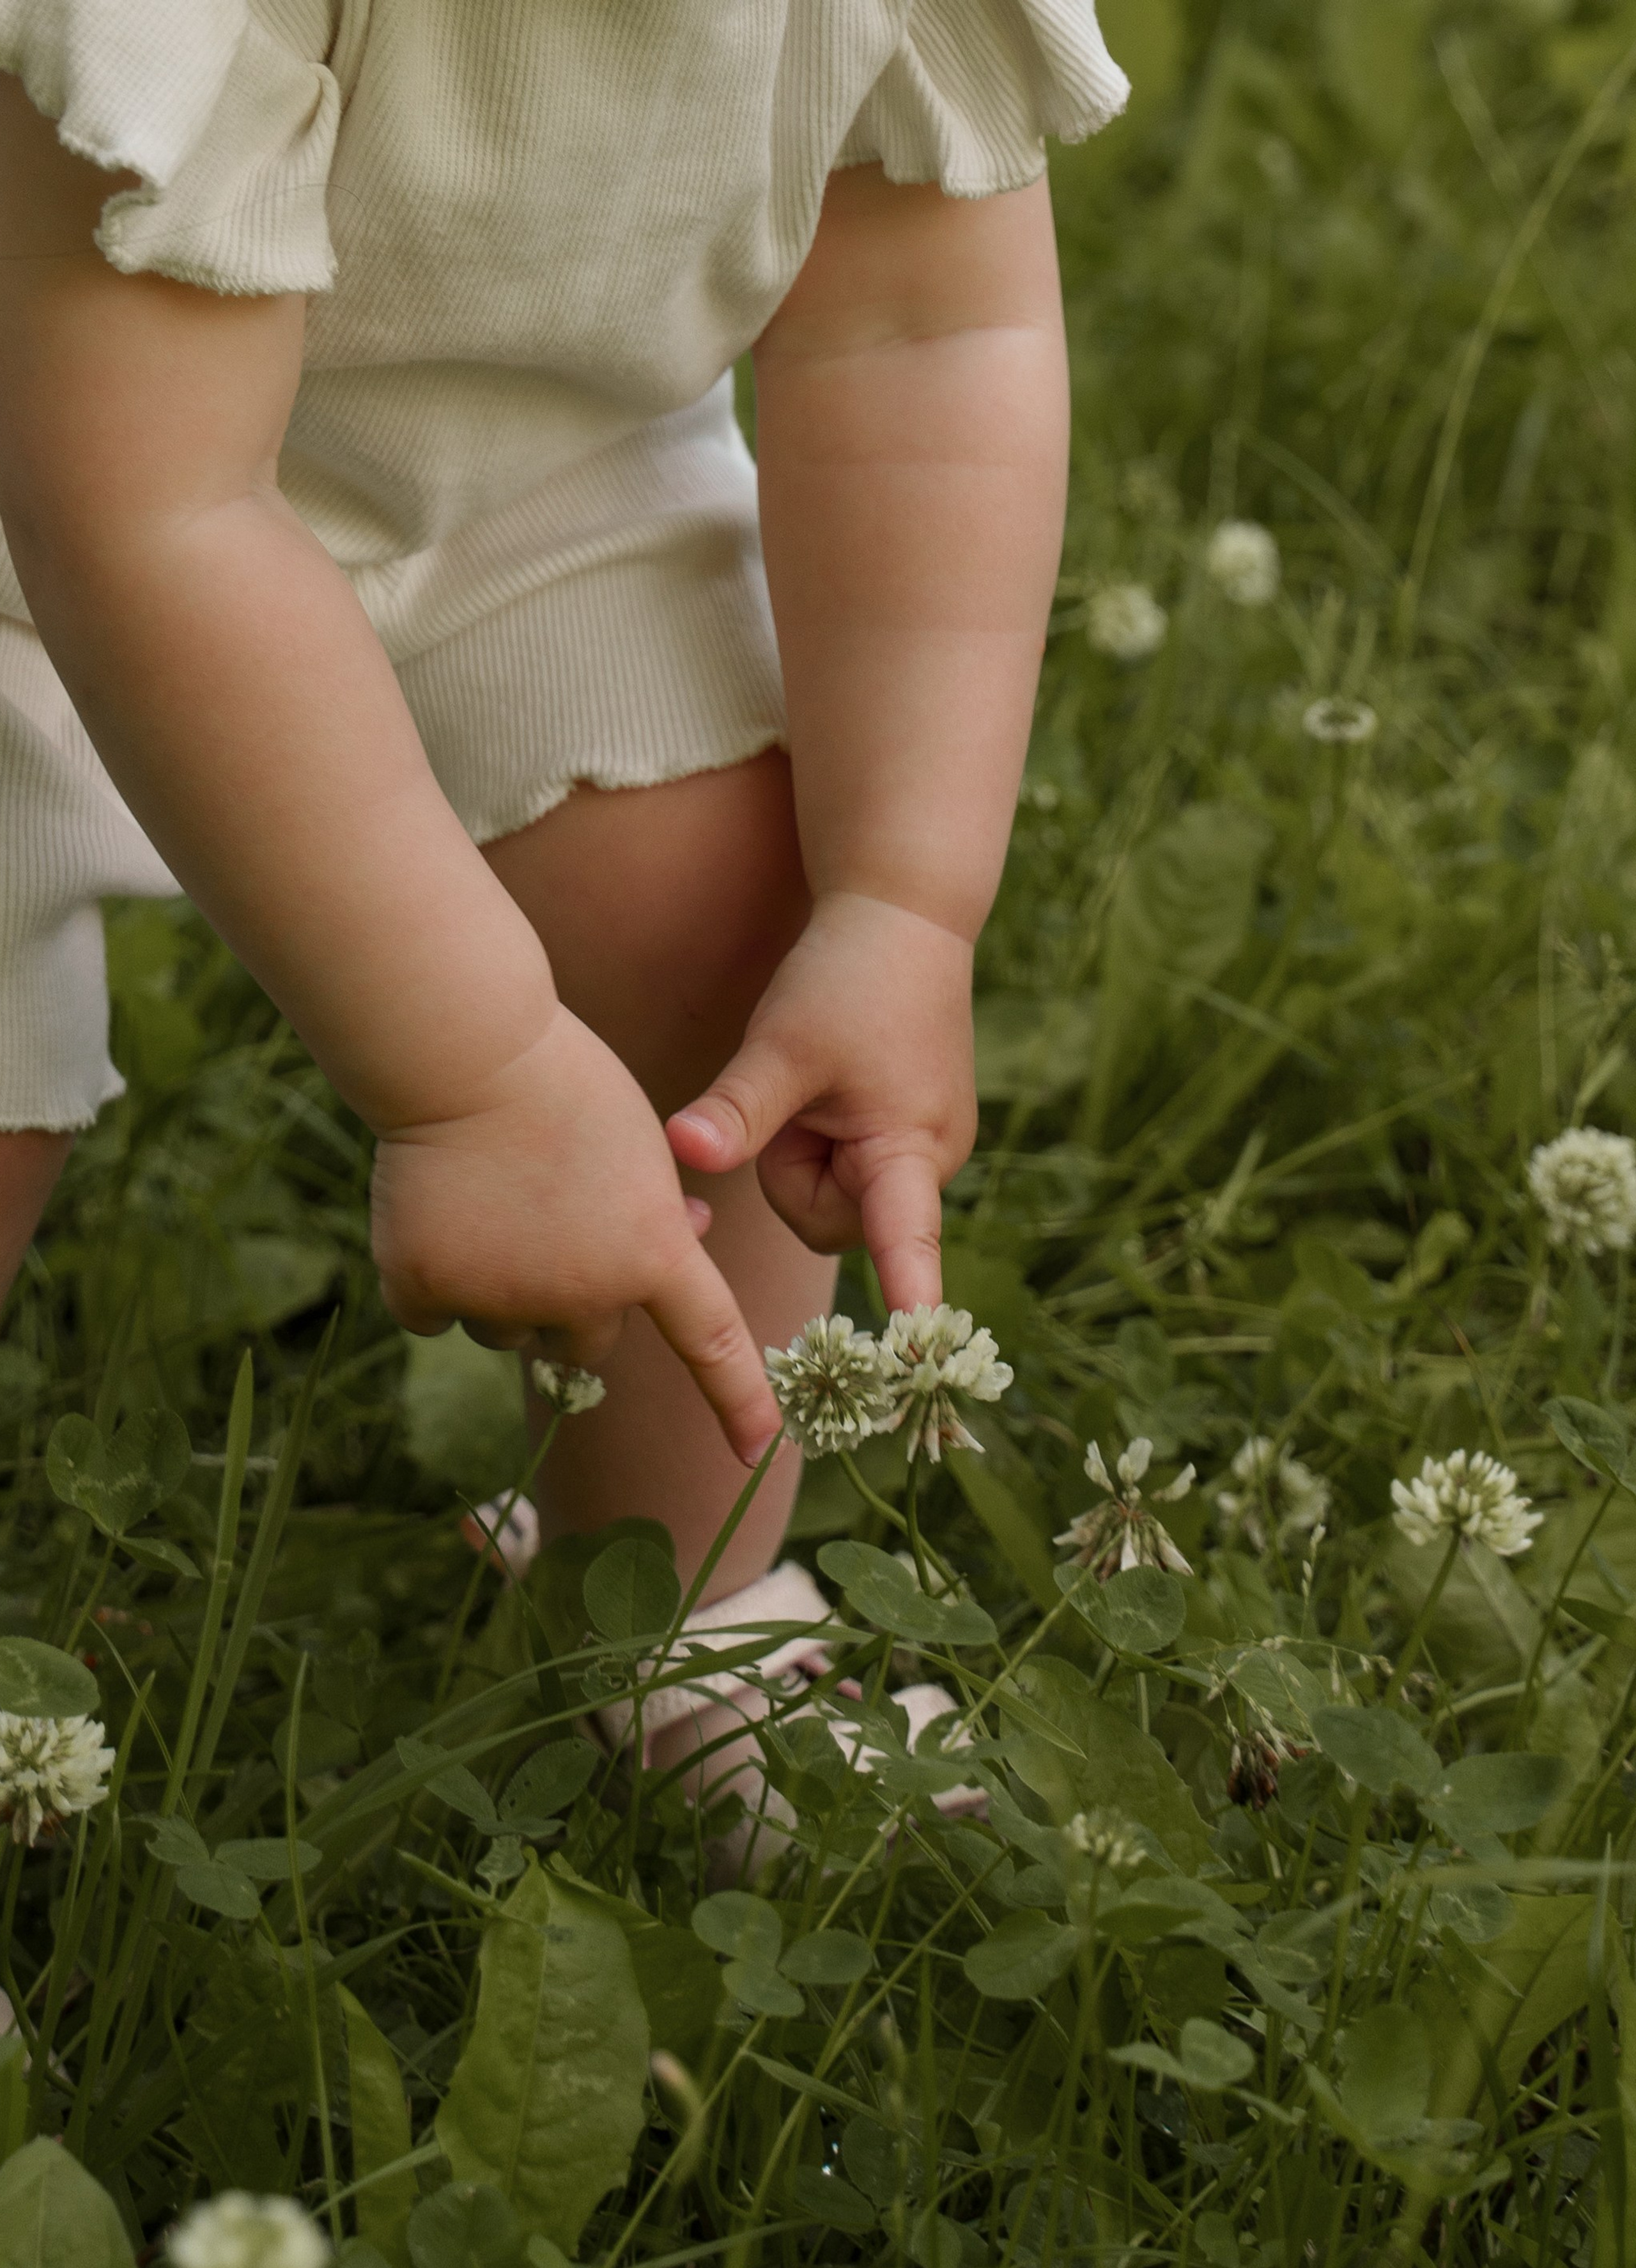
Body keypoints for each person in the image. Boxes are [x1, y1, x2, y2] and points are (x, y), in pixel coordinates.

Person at [0, 1, 1127, 1626]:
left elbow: (918, 329)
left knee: (727, 940)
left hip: (512, 451)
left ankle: (667, 1611)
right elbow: (142, 509)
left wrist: (895, 899)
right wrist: (471, 1073)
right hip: (62, 462)